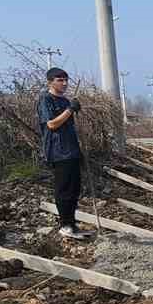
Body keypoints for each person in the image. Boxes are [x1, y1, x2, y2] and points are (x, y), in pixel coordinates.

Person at [37, 67, 89, 240]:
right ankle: (64, 225)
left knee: (74, 189)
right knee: (64, 189)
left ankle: (72, 223)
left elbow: (70, 126)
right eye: (60, 80)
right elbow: (52, 124)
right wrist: (70, 110)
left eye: (66, 80)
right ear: (50, 82)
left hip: (72, 150)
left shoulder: (66, 101)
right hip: (58, 152)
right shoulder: (45, 100)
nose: (65, 83)